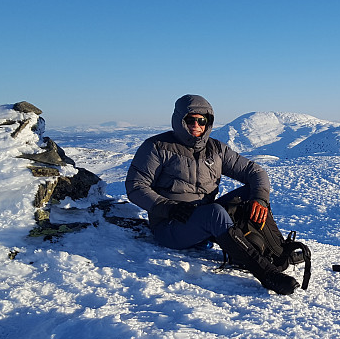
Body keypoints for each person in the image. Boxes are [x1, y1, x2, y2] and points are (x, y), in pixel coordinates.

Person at [125, 94, 299, 294]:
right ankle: (267, 274)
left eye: (202, 120)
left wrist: (260, 198)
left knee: (252, 192)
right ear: (180, 120)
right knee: (214, 213)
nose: (197, 125)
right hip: (171, 226)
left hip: (204, 219)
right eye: (191, 119)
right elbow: (135, 186)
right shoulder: (157, 147)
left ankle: (277, 250)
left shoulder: (215, 149)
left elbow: (255, 172)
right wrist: (168, 208)